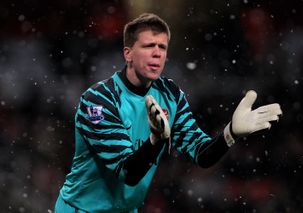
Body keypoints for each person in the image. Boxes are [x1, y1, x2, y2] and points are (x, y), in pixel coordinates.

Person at [55, 13, 282, 212]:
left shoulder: (170, 94)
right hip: (82, 209)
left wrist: (230, 134)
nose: (157, 54)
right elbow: (128, 174)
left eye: (162, 47)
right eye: (148, 46)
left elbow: (202, 155)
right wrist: (156, 141)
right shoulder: (99, 101)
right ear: (128, 54)